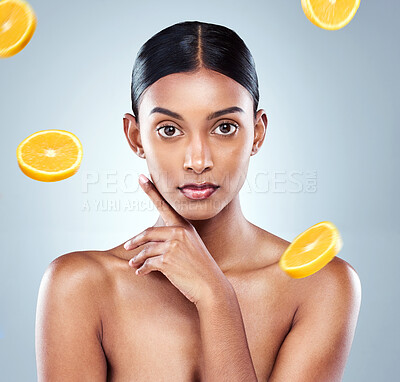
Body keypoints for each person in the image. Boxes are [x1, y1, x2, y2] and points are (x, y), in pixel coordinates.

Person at [35, 20, 362, 381]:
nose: (198, 160)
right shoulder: (79, 287)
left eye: (224, 127)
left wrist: (216, 296)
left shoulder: (321, 285)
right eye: (169, 130)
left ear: (258, 133)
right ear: (135, 137)